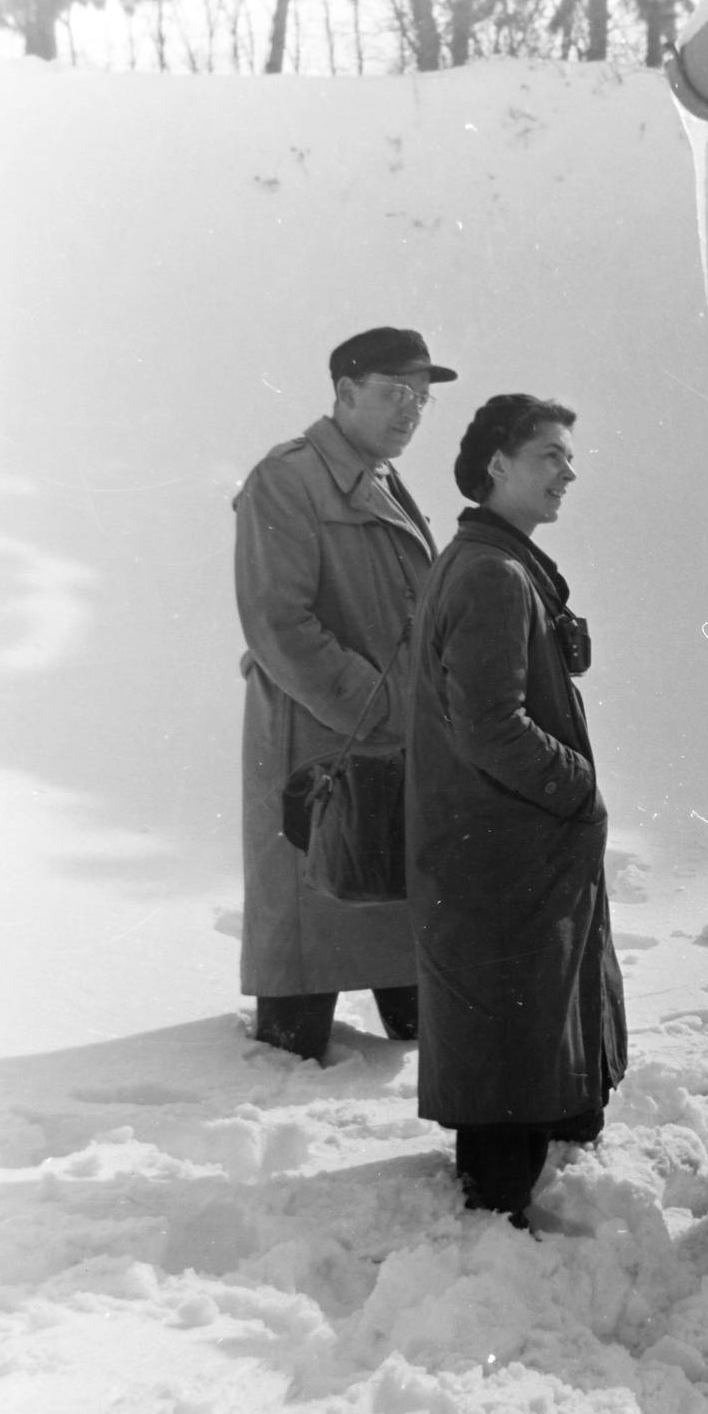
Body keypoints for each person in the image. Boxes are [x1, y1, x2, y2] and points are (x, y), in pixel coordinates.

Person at [406, 393, 627, 1225]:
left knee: (512, 1030)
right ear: (497, 465)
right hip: (501, 855)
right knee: (508, 1040)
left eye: (570, 457)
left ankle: (509, 1182)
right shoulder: (495, 574)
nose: (567, 471)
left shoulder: (488, 559)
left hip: (496, 849)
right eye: (549, 456)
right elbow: (492, 726)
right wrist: (578, 786)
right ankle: (492, 1232)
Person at [234, 327, 454, 1062]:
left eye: (421, 399)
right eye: (396, 394)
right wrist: (383, 704)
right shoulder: (288, 477)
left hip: (382, 747)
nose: (412, 412)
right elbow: (279, 621)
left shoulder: (381, 476)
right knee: (302, 992)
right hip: (321, 748)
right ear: (344, 392)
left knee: (390, 928)